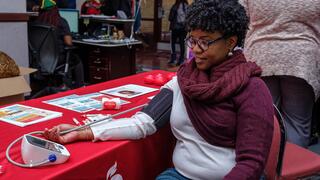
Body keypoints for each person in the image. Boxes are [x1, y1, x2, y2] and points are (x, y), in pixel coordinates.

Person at [44, 0, 274, 179]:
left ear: (231, 42)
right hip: (180, 176)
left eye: (205, 41)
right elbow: (143, 122)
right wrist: (84, 131)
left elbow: (251, 163)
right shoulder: (183, 80)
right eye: (192, 40)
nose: (196, 49)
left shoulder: (252, 89)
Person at [239, 0, 320, 148]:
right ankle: (294, 167)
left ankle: (266, 167)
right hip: (302, 59)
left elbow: (240, 16)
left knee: (265, 121)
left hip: (261, 57)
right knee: (297, 124)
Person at [35, 0, 85, 88]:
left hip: (39, 59)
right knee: (77, 60)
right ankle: (80, 86)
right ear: (56, 9)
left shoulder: (36, 23)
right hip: (57, 58)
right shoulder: (61, 21)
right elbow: (68, 43)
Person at [168, 0, 188, 66]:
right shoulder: (187, 6)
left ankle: (173, 59)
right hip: (183, 29)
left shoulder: (175, 6)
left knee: (172, 44)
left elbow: (170, 18)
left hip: (175, 28)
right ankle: (181, 59)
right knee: (182, 44)